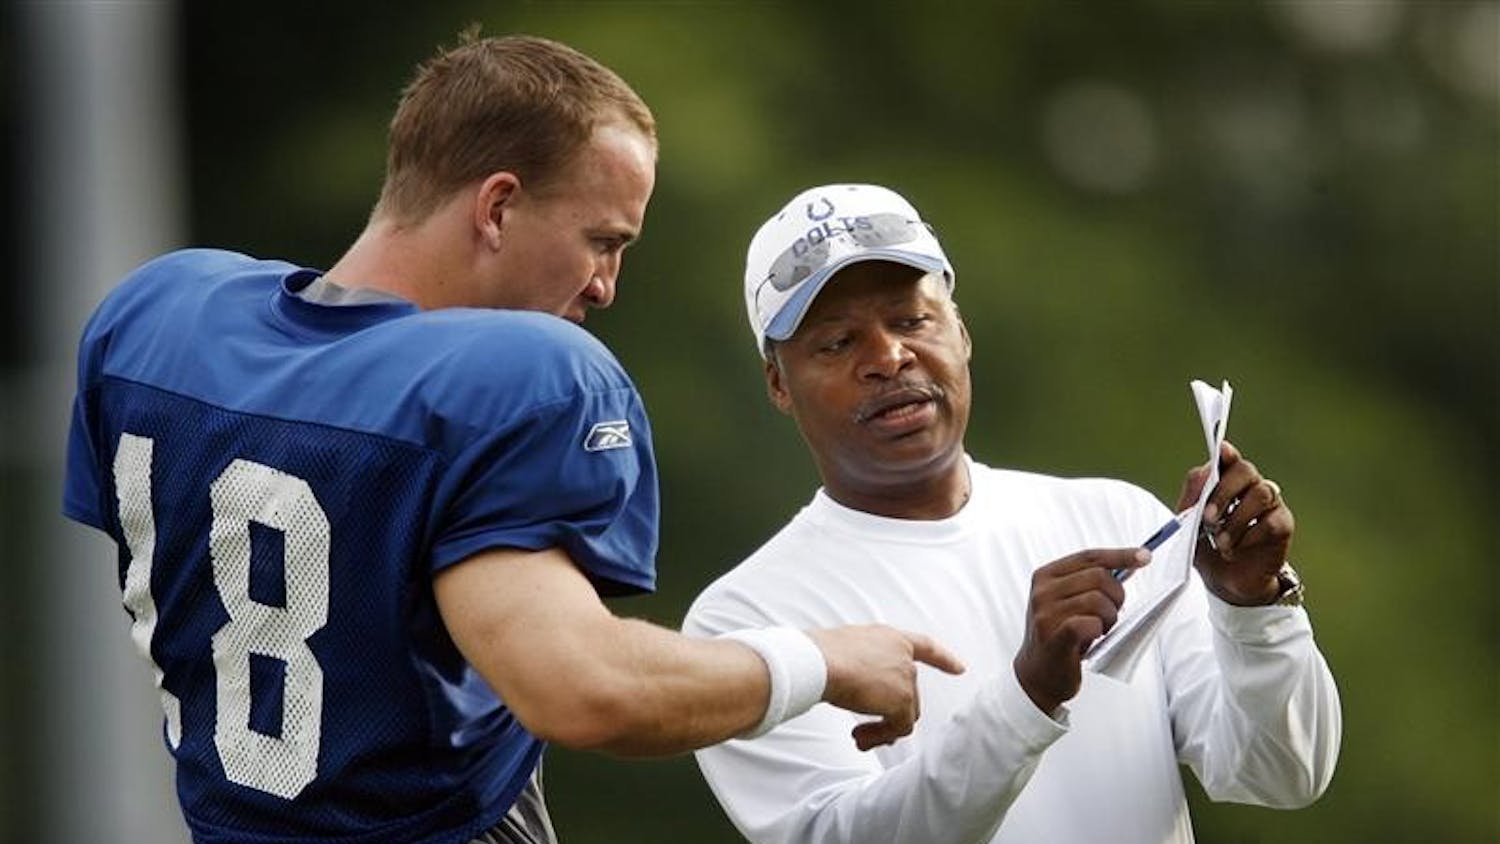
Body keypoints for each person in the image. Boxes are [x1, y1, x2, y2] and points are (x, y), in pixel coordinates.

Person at [61, 37, 963, 844]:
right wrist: (820, 659)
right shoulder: (510, 381)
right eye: (603, 241)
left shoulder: (160, 320)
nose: (607, 286)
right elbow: (584, 687)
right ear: (496, 208)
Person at [684, 183, 1342, 843]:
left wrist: (1253, 609)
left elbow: (1283, 772)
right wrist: (1027, 694)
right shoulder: (745, 623)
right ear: (778, 384)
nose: (886, 358)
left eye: (912, 320)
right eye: (836, 343)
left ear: (961, 333)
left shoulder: (1115, 519)